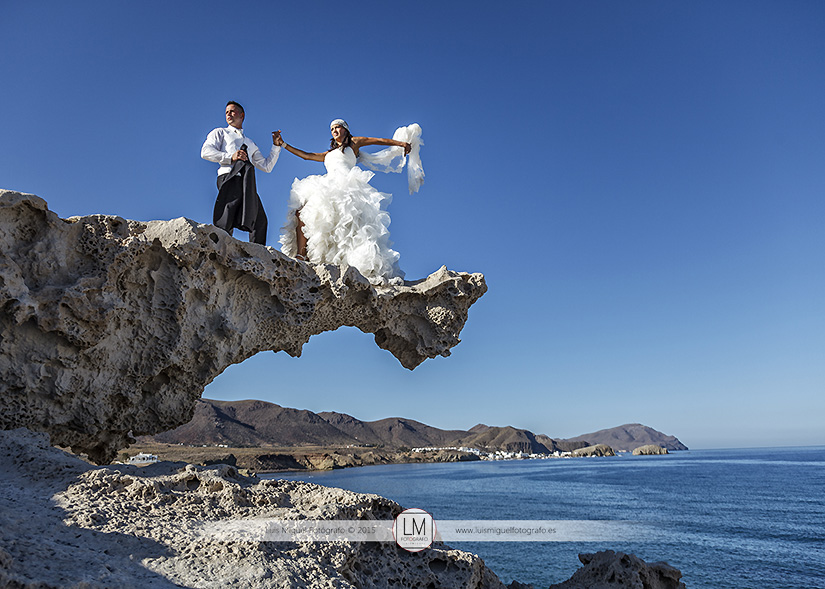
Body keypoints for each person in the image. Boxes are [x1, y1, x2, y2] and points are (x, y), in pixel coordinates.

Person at [278, 119, 423, 285]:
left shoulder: (354, 143)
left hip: (348, 187)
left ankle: (354, 266)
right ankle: (301, 255)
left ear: (345, 129)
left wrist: (401, 144)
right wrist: (283, 144)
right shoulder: (328, 154)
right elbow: (306, 156)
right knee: (303, 212)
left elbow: (378, 140)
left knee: (349, 226)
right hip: (327, 186)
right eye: (332, 129)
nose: (334, 130)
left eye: (337, 127)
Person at [201, 101, 284, 245]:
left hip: (247, 181)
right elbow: (205, 152)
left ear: (242, 115)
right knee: (227, 214)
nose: (228, 114)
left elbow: (266, 166)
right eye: (226, 112)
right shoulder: (220, 132)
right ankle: (220, 249)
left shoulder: (250, 143)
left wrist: (276, 146)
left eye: (232, 111)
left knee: (259, 219)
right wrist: (230, 157)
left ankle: (258, 253)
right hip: (229, 176)